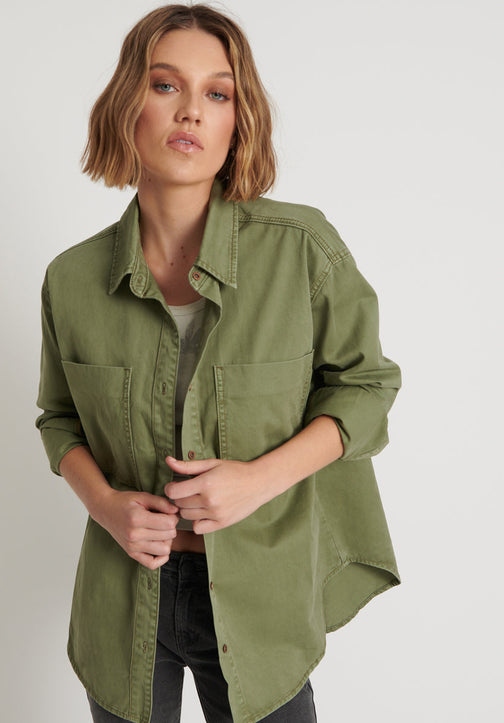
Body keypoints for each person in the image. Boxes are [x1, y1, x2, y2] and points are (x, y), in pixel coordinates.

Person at [35, 4, 402, 722]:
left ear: (239, 120)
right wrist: (106, 506)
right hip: (124, 600)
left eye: (218, 93)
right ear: (127, 105)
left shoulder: (302, 250)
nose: (192, 111)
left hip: (262, 592)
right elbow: (59, 419)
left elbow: (366, 386)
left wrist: (259, 481)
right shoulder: (71, 279)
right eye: (166, 85)